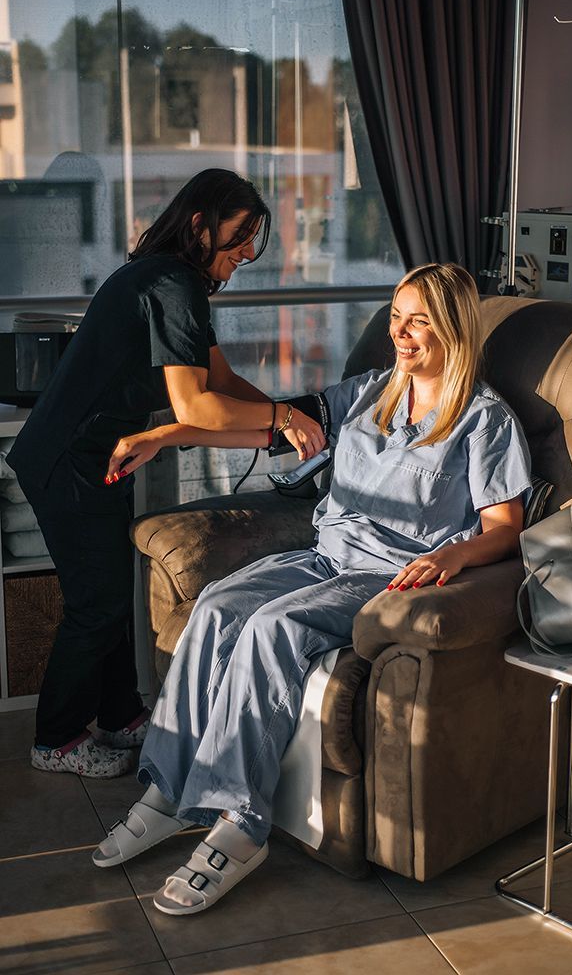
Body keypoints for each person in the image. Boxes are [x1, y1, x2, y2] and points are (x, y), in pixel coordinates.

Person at [92, 262, 533, 916]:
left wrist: (454, 554)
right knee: (215, 606)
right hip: (325, 557)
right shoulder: (373, 392)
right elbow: (276, 427)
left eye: (419, 322)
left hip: (387, 576)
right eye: (396, 315)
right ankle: (167, 792)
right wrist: (167, 433)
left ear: (455, 330)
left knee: (275, 629)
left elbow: (505, 526)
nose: (402, 334)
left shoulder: (484, 421)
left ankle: (241, 828)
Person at [7, 168, 326, 779]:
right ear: (200, 224)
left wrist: (293, 422)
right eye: (237, 241)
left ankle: (121, 715)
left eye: (252, 244)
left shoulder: (165, 278)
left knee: (109, 594)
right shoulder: (173, 284)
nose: (241, 256)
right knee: (94, 604)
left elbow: (224, 383)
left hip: (98, 454)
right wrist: (283, 416)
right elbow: (198, 408)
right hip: (68, 459)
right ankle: (55, 739)